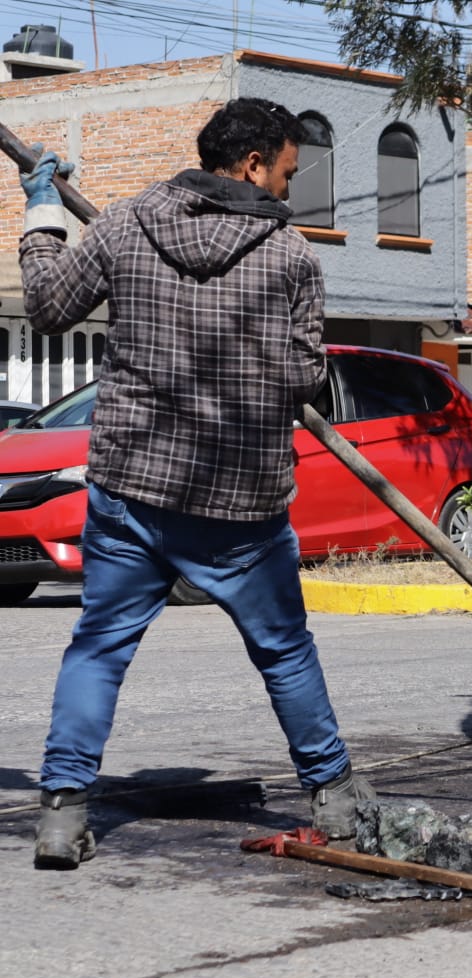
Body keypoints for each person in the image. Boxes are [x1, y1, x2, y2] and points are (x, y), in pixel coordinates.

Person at [19, 98, 375, 869]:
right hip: (240, 503)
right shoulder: (291, 258)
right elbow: (304, 379)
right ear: (251, 165)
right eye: (285, 171)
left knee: (99, 649)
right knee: (284, 651)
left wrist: (44, 214)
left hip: (133, 492)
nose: (286, 189)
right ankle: (338, 800)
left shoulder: (122, 224)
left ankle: (60, 815)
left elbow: (47, 305)